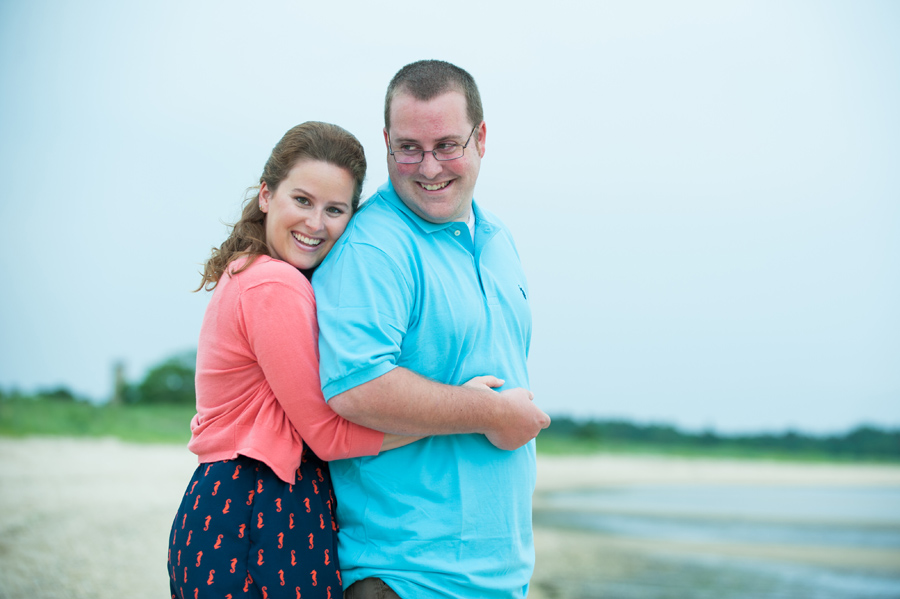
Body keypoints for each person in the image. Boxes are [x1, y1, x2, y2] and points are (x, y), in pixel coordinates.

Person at [312, 61, 550, 599]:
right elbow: (356, 386)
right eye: (408, 147)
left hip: (498, 577)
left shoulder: (498, 239)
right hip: (403, 576)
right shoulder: (374, 247)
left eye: (447, 145)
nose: (428, 167)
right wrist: (493, 413)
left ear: (481, 138)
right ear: (387, 144)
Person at [167, 122, 419, 599]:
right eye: (302, 201)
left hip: (232, 507)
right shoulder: (274, 286)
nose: (315, 224)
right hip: (257, 513)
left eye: (335, 209)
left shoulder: (250, 271)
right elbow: (328, 434)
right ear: (266, 195)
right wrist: (461, 417)